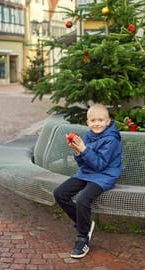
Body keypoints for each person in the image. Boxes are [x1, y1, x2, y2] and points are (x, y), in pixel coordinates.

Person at [53, 103, 122, 258]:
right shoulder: (88, 135)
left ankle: (83, 237)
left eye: (100, 120)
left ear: (108, 121)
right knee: (60, 193)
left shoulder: (111, 140)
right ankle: (85, 223)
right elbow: (83, 164)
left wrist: (84, 149)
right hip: (86, 173)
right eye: (93, 120)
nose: (96, 123)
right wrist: (77, 151)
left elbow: (99, 165)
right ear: (88, 122)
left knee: (83, 199)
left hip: (105, 175)